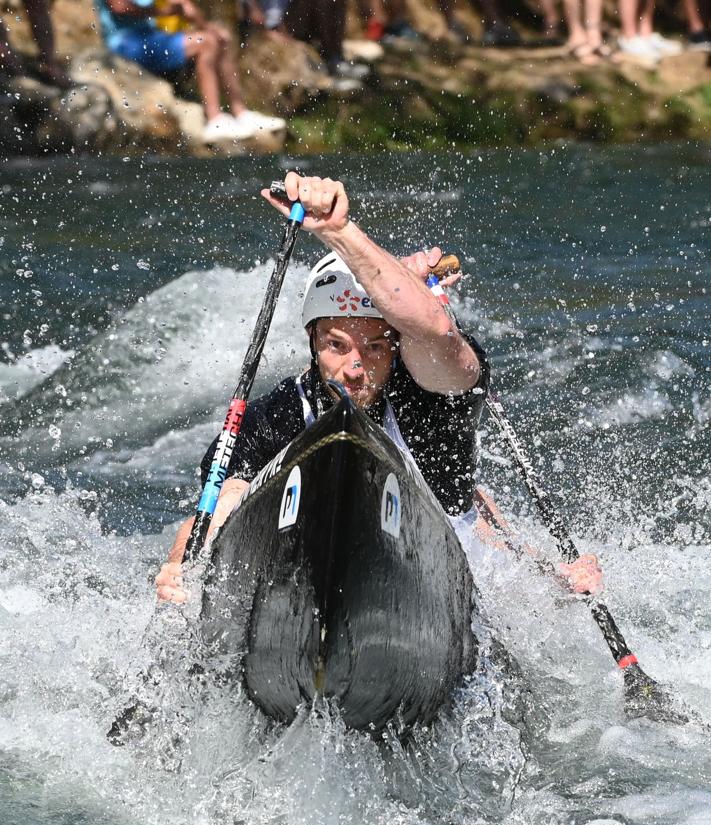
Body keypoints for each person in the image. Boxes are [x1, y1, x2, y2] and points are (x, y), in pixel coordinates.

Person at [155, 172, 603, 604]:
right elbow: (216, 510)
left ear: (397, 346)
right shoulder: (274, 415)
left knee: (485, 523)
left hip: (462, 572)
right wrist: (180, 566)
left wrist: (338, 230)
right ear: (311, 342)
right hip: (303, 571)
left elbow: (438, 333)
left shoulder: (433, 402)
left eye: (374, 347)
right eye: (336, 345)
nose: (354, 367)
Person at [93, 0, 286, 142]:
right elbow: (119, 6)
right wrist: (165, 11)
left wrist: (206, 27)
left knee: (218, 38)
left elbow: (184, 7)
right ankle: (214, 119)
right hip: (125, 43)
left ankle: (240, 112)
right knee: (205, 43)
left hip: (151, 37)